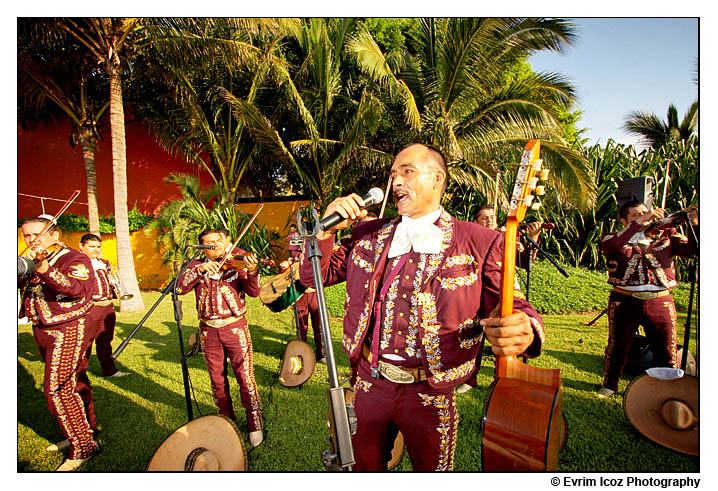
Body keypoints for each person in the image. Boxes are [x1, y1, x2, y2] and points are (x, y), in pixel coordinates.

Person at [299, 143, 545, 471]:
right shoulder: (367, 234)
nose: (396, 182)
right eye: (393, 175)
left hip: (431, 392)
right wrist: (325, 231)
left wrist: (525, 328)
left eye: (407, 172)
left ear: (436, 178)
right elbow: (316, 273)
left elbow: (512, 305)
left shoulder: (481, 241)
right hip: (370, 383)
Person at [18, 216, 101, 471]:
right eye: (27, 236)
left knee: (57, 389)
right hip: (42, 327)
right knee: (71, 384)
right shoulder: (32, 258)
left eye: (37, 234)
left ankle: (84, 446)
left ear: (55, 235)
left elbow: (78, 289)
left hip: (68, 328)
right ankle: (79, 432)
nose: (32, 240)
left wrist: (44, 270)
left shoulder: (74, 258)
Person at [597, 199, 698, 397]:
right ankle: (610, 385)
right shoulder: (613, 237)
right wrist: (639, 223)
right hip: (624, 300)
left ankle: (668, 389)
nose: (644, 216)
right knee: (618, 345)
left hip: (660, 300)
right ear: (624, 220)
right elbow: (614, 245)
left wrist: (694, 222)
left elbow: (694, 250)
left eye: (645, 211)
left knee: (667, 348)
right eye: (635, 215)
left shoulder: (667, 235)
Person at [175, 228, 264, 447]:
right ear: (202, 246)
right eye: (209, 243)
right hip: (208, 330)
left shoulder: (238, 260)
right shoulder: (197, 265)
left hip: (234, 327)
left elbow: (253, 292)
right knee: (217, 378)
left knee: (245, 375)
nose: (215, 245)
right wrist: (199, 270)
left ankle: (254, 421)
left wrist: (252, 272)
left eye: (219, 240)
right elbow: (179, 287)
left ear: (226, 240)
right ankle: (226, 419)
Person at [78, 234, 130, 378]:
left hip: (107, 307)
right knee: (85, 344)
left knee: (106, 341)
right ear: (81, 246)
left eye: (98, 246)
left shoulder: (104, 263)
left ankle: (109, 370)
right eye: (91, 246)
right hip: (89, 308)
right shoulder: (78, 264)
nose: (96, 250)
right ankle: (79, 374)